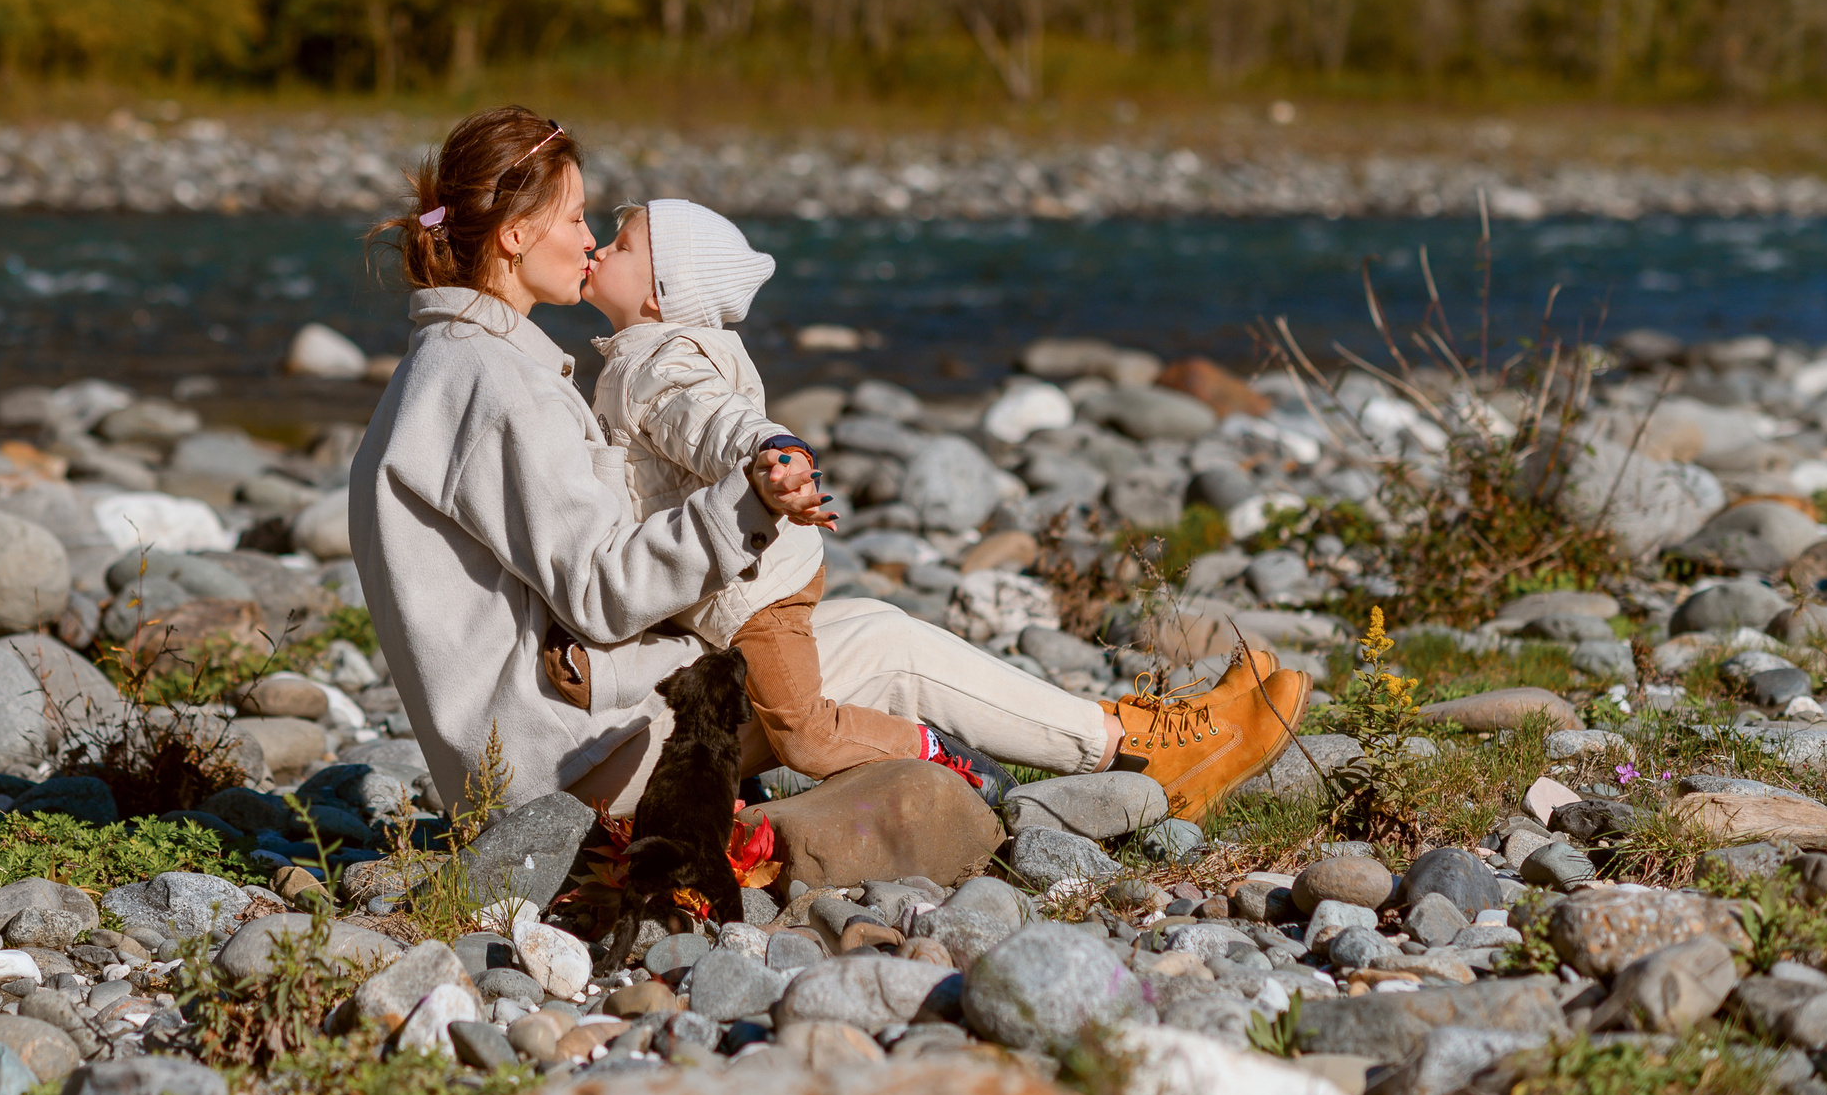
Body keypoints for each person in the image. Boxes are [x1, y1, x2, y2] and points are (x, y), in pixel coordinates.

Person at [348, 104, 1304, 822]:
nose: (589, 240)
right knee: (885, 647)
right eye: (574, 219)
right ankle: (1148, 754)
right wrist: (741, 507)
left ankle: (1130, 742)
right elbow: (600, 589)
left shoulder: (450, 367)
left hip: (538, 749)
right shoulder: (496, 386)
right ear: (514, 238)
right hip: (578, 767)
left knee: (865, 638)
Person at [582, 195, 1011, 793]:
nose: (598, 249)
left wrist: (772, 452)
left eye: (621, 245)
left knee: (803, 733)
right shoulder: (632, 358)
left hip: (755, 594)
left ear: (659, 293)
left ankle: (933, 750)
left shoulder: (662, 363)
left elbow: (712, 421)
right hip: (714, 588)